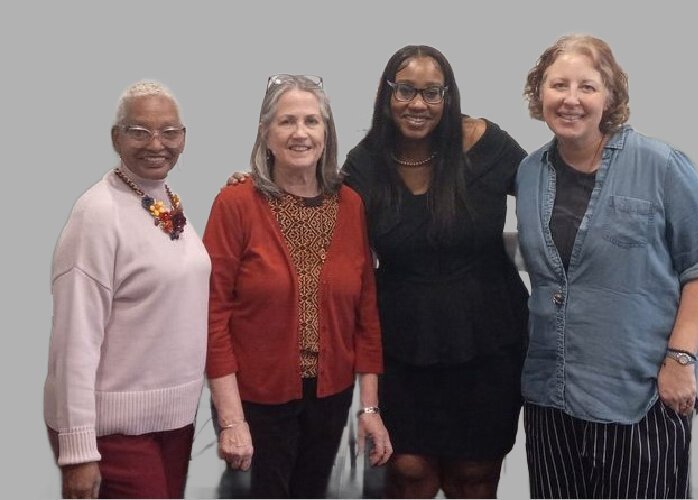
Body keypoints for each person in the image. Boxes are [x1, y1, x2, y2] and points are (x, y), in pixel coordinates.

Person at [516, 33, 698, 499]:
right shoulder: (529, 172)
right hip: (550, 394)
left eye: (587, 87)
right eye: (558, 85)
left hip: (639, 392)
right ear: (539, 93)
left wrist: (681, 359)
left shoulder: (662, 165)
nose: (570, 100)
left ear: (610, 96)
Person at [342, 45, 529, 498]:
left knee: (474, 474)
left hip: (488, 343)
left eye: (432, 92)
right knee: (408, 471)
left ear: (450, 97)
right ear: (387, 94)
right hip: (403, 347)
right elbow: (315, 205)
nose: (418, 104)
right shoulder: (365, 164)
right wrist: (258, 180)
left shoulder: (486, 145)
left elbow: (551, 187)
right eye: (406, 90)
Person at [202, 74, 391, 499]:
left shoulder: (349, 204)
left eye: (312, 121)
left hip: (330, 396)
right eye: (287, 121)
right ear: (266, 134)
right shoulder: (235, 204)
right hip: (256, 400)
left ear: (327, 133)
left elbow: (366, 312)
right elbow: (212, 317)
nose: (300, 133)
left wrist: (369, 407)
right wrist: (231, 420)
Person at [43, 80, 210, 499]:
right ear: (115, 137)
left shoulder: (165, 199)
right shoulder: (97, 213)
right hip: (111, 431)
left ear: (184, 139)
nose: (157, 144)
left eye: (170, 132)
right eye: (139, 131)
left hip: (171, 425)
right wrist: (78, 451)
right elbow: (74, 339)